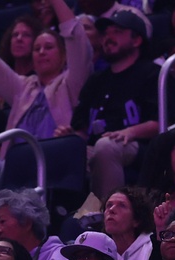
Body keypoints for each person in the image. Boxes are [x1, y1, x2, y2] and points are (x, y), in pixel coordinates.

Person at [68, 10, 160, 202]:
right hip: (96, 147)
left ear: (136, 40)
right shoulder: (96, 80)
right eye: (105, 34)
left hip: (140, 147)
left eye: (116, 32)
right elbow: (80, 126)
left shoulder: (152, 73)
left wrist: (130, 132)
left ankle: (113, 214)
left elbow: (162, 123)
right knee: (59, 151)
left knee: (106, 147)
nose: (108, 38)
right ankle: (69, 217)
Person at [0, 0, 89, 143]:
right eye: (36, 48)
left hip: (58, 156)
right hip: (19, 160)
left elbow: (76, 36)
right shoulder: (23, 87)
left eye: (48, 47)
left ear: (64, 55)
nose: (41, 52)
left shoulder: (72, 82)